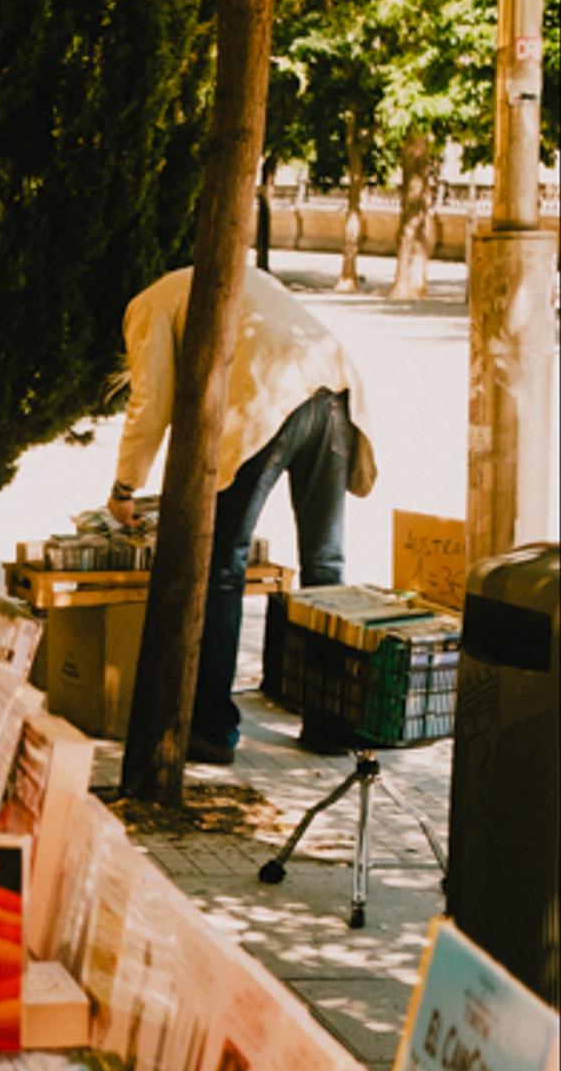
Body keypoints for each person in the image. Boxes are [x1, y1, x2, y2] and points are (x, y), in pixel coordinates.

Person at [108, 263, 376, 763]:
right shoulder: (228, 271)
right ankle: (331, 724)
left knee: (223, 568)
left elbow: (151, 401)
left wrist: (125, 487)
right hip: (335, 391)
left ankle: (212, 728)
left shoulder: (147, 305)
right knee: (326, 566)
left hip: (271, 401)